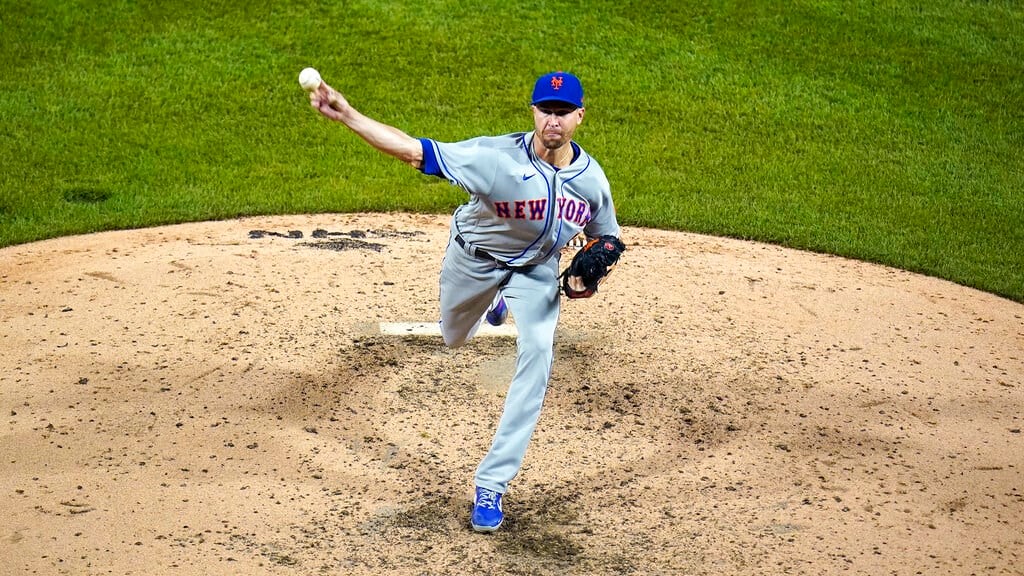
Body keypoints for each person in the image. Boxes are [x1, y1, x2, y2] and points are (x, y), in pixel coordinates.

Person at [308, 70, 622, 532]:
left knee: (538, 351)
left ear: (580, 116)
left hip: (535, 274)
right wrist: (349, 116)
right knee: (454, 335)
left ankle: (492, 484)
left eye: (562, 112)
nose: (553, 121)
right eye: (545, 110)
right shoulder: (493, 159)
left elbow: (606, 236)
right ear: (532, 112)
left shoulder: (591, 180)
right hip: (473, 261)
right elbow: (413, 150)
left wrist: (590, 272)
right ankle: (490, 303)